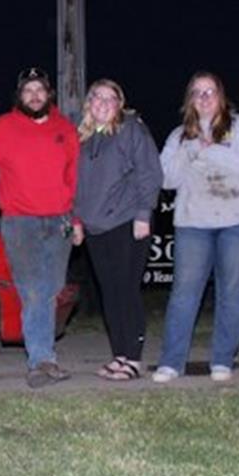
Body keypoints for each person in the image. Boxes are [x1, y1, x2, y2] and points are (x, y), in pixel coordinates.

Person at [154, 72, 239, 384]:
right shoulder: (179, 136)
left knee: (230, 290)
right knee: (184, 292)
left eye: (210, 92)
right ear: (189, 100)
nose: (204, 98)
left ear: (221, 97)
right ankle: (171, 362)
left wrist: (211, 152)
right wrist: (191, 151)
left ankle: (222, 360)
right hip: (194, 222)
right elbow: (166, 178)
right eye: (197, 93)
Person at [0, 67, 80, 389]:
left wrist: (76, 220)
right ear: (20, 95)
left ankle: (44, 357)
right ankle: (40, 361)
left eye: (40, 90)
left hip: (60, 221)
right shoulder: (3, 127)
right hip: (19, 221)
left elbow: (74, 178)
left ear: (49, 95)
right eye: (29, 91)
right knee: (32, 292)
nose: (35, 96)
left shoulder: (65, 129)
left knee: (51, 290)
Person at [71, 79, 162, 381]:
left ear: (119, 104)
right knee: (109, 292)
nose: (104, 103)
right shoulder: (82, 137)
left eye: (111, 98)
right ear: (89, 103)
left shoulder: (132, 129)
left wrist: (142, 215)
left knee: (126, 290)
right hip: (96, 227)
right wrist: (77, 221)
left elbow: (150, 173)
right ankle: (119, 355)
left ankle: (133, 360)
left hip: (127, 222)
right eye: (98, 97)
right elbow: (75, 184)